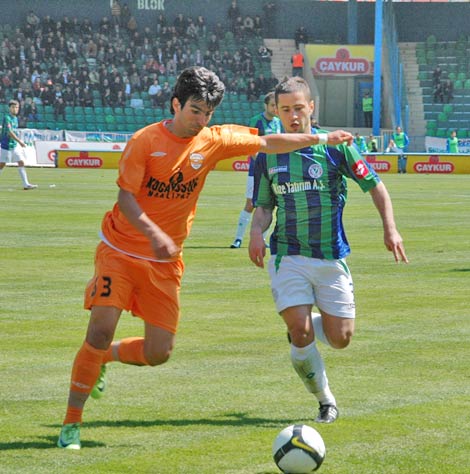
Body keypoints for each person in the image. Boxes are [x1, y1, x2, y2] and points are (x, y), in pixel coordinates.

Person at [56, 66, 355, 450]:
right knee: (100, 330)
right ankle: (71, 424)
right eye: (195, 110)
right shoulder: (145, 141)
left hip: (166, 262)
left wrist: (323, 138)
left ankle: (104, 359)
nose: (201, 120)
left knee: (158, 353)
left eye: (208, 113)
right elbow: (125, 198)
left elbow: (269, 142)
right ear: (175, 104)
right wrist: (154, 233)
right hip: (120, 250)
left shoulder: (212, 140)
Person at [249, 76, 408, 425]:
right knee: (301, 332)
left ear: (311, 107)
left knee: (341, 339)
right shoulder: (267, 154)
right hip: (287, 255)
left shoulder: (336, 147)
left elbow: (376, 186)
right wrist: (256, 231)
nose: (293, 116)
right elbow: (263, 207)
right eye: (285, 109)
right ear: (277, 111)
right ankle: (326, 401)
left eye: (298, 108)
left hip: (330, 256)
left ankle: (303, 324)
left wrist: (390, 228)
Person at [230, 91, 282, 249]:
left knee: (269, 205)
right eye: (272, 105)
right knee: (250, 204)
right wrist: (261, 162)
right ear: (265, 105)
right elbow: (250, 146)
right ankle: (238, 238)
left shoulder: (279, 123)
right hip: (257, 170)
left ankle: (263, 239)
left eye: (277, 105)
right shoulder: (256, 121)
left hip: (274, 170)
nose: (275, 108)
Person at [0, 100, 37, 190]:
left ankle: (26, 184)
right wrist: (20, 141)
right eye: (13, 107)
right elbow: (9, 132)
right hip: (6, 145)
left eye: (17, 107)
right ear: (9, 108)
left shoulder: (15, 118)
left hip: (14, 145)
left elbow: (14, 131)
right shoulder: (7, 118)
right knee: (2, 165)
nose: (15, 109)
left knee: (21, 162)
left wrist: (17, 142)